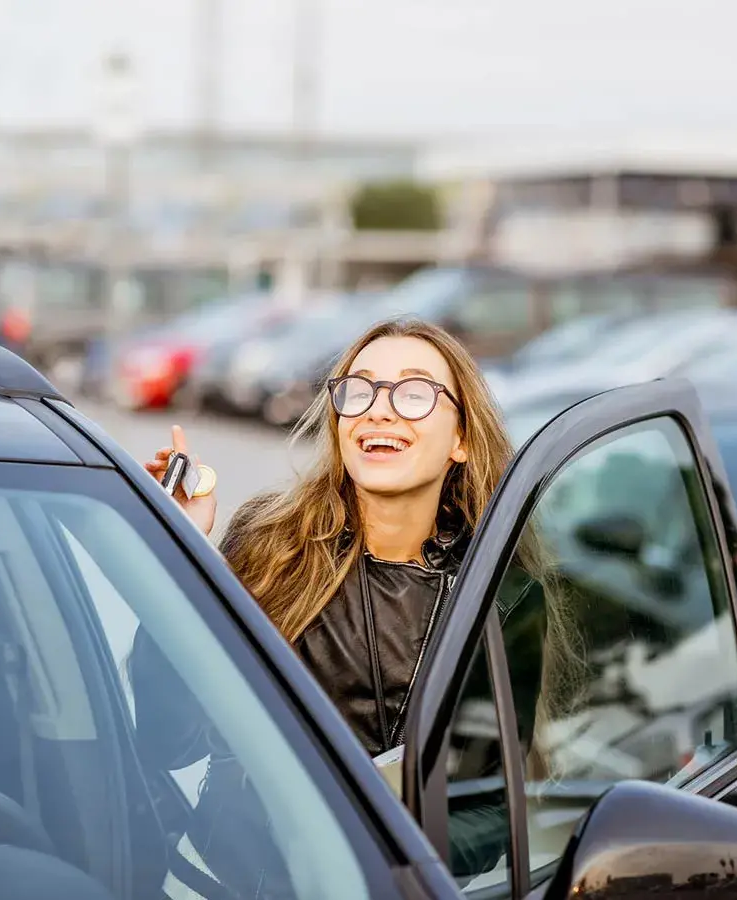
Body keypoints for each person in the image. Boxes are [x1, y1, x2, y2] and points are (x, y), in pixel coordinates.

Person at [131, 317, 578, 894]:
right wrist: (179, 554)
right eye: (359, 389)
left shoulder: (500, 595)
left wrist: (361, 853)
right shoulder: (267, 547)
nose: (379, 410)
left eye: (413, 393)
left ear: (462, 440)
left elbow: (488, 814)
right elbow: (167, 739)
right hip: (220, 883)